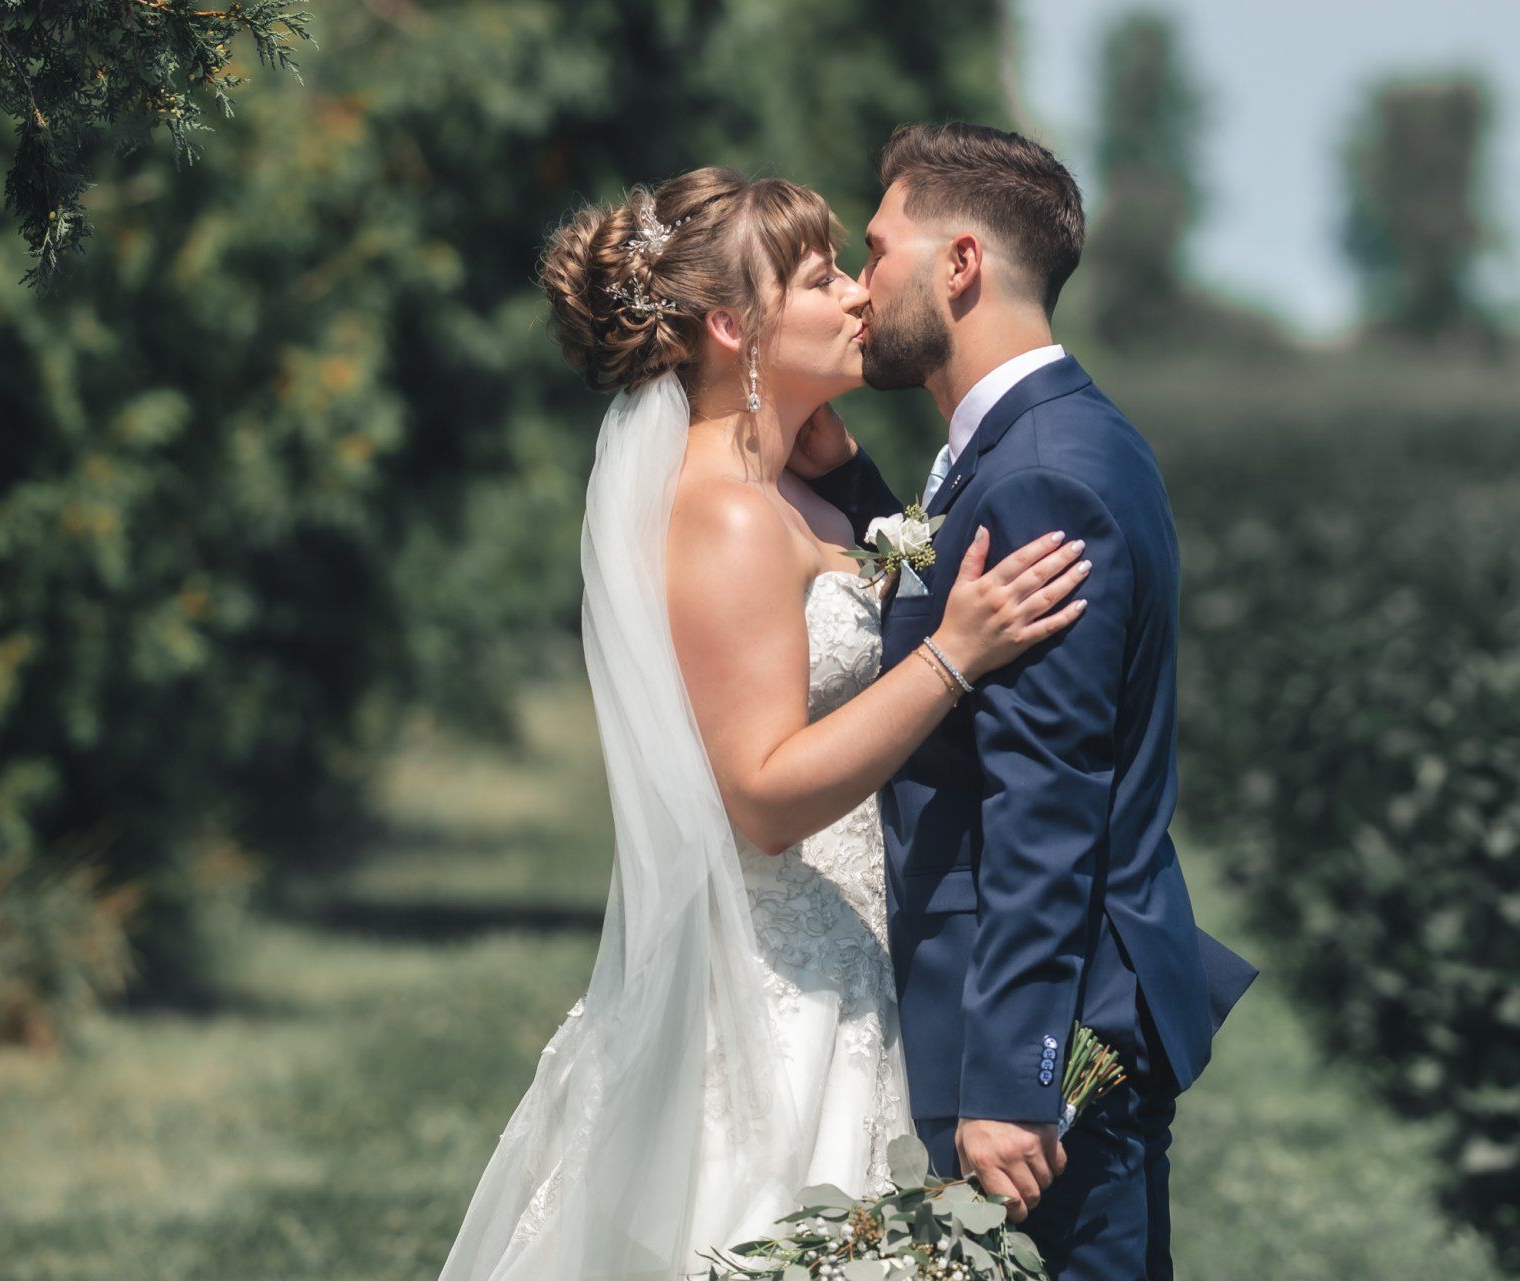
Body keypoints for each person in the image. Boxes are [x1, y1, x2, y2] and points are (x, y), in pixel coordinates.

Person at [433, 165, 1090, 1280]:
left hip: (842, 967)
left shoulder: (800, 494)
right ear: (734, 324)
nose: (854, 298)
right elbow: (765, 794)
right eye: (819, 275)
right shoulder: (728, 518)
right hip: (775, 993)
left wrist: (848, 474)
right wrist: (954, 655)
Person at [789, 122, 1261, 1281]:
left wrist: (1014, 1078)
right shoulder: (1032, 443)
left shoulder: (1044, 469)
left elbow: (1048, 796)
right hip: (1039, 997)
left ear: (959, 267)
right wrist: (851, 481)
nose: (860, 287)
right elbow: (962, 626)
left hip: (1038, 1037)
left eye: (880, 248)